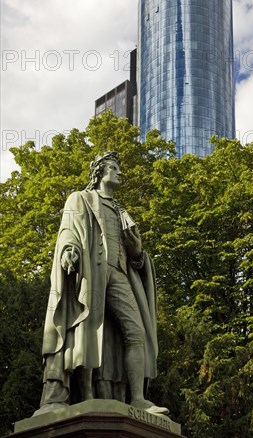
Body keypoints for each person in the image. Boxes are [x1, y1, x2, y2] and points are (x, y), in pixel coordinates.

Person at [36, 152, 168, 415]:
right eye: (115, 168)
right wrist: (68, 251)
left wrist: (138, 252)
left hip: (119, 274)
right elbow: (68, 231)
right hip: (92, 271)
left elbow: (137, 258)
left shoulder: (122, 211)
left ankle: (138, 398)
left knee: (136, 332)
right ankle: (85, 395)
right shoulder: (81, 198)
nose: (120, 173)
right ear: (99, 172)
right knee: (87, 330)